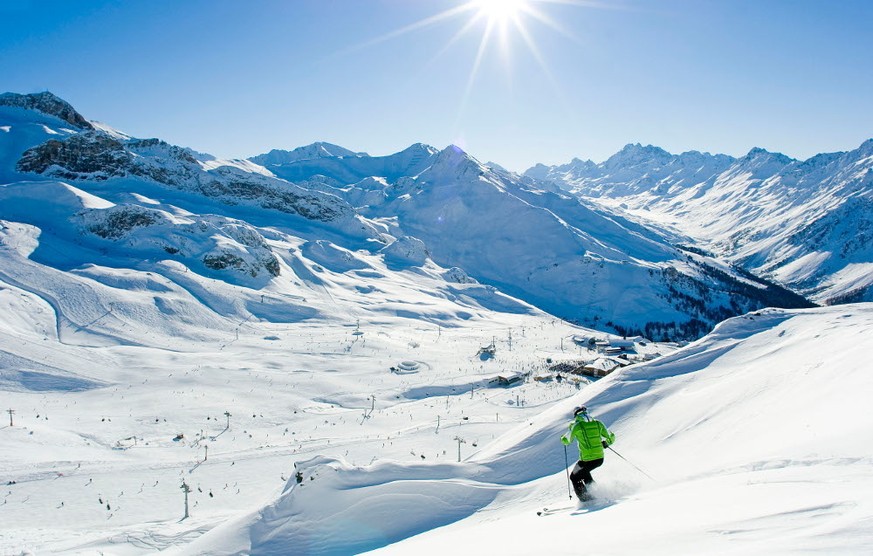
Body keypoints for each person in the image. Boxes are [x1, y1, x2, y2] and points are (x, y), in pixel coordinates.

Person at [561, 405, 615, 501]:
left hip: (587, 460)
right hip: (598, 459)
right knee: (584, 474)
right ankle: (597, 494)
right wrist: (606, 443)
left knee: (574, 477)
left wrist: (563, 438)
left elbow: (567, 440)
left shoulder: (577, 426)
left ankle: (586, 500)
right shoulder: (598, 423)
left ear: (575, 414)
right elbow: (611, 437)